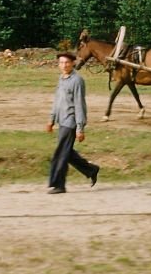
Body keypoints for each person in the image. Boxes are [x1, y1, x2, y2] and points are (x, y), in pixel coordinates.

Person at [45, 51, 100, 194]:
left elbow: (79, 104)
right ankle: (91, 170)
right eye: (61, 63)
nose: (64, 65)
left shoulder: (77, 80)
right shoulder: (62, 78)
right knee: (67, 152)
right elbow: (58, 101)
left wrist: (80, 128)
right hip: (61, 120)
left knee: (61, 153)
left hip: (70, 121)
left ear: (73, 63)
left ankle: (59, 185)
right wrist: (51, 120)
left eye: (67, 63)